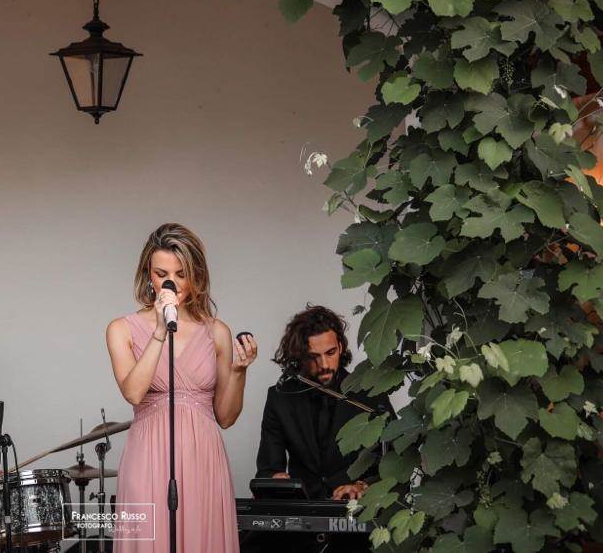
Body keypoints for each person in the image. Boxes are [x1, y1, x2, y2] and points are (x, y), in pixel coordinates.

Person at [106, 223, 257, 553]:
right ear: (148, 274)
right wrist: (160, 331)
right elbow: (133, 393)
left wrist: (239, 372)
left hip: (204, 460)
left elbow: (226, 417)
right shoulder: (121, 329)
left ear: (196, 276)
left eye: (181, 274)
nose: (171, 283)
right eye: (161, 274)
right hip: (148, 458)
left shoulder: (217, 332)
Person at [255, 304, 391, 501]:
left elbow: (394, 460)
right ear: (299, 355)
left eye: (330, 352)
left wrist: (362, 486)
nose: (324, 365)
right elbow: (267, 470)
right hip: (303, 508)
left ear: (341, 347)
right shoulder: (280, 397)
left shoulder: (370, 393)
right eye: (313, 357)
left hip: (356, 508)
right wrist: (276, 478)